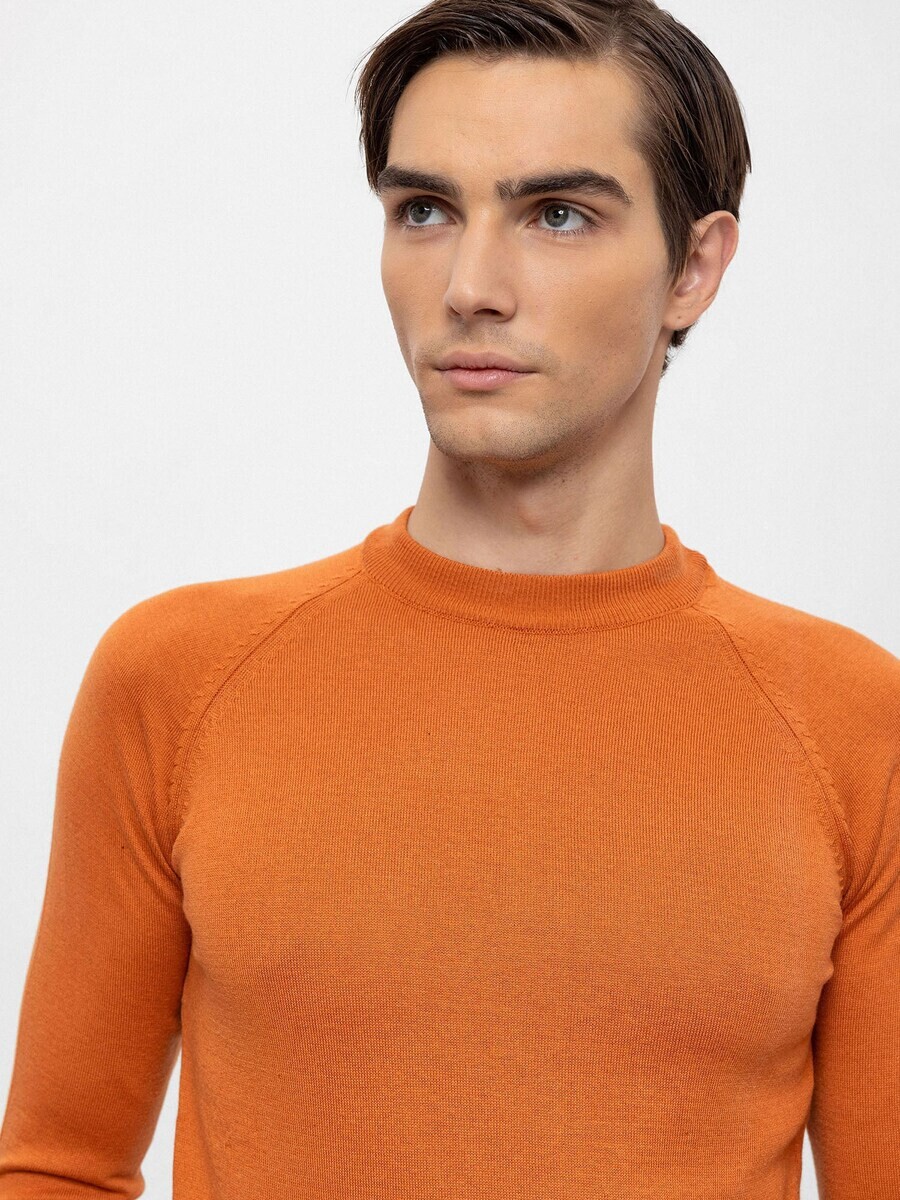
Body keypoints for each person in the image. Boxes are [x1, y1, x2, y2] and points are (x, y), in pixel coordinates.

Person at [1, 1, 897, 1197]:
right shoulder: (178, 679)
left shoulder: (849, 724)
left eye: (557, 214)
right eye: (424, 210)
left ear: (694, 268)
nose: (472, 286)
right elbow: (56, 1165)